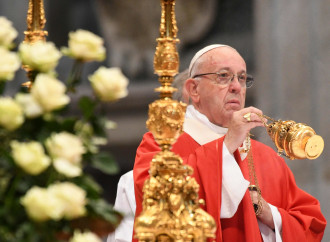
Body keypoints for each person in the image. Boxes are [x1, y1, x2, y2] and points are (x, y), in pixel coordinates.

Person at [133, 44, 327, 241]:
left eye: (242, 78)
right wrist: (227, 145)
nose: (236, 87)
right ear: (194, 89)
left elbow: (310, 225)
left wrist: (268, 213)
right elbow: (158, 204)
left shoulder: (267, 158)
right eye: (223, 76)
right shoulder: (162, 143)